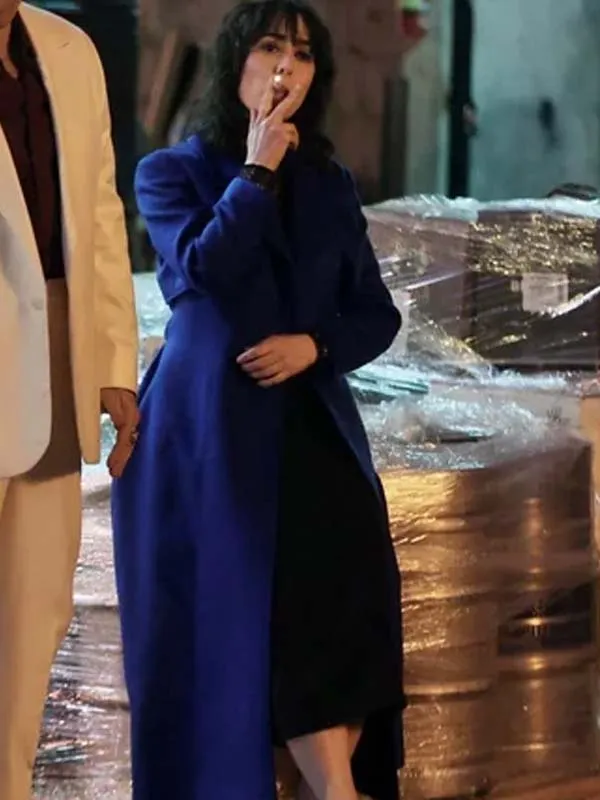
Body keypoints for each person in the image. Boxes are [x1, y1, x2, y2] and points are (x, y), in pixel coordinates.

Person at [112, 1, 405, 798]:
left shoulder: (331, 184)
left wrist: (315, 346)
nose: (285, 68)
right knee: (259, 616)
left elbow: (375, 313)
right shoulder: (170, 172)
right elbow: (200, 270)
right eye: (270, 47)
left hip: (312, 423)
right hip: (211, 431)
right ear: (234, 61)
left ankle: (333, 787)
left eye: (303, 55)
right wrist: (256, 170)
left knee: (351, 602)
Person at [0, 2, 139, 797]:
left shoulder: (69, 49)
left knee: (33, 620)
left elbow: (100, 212)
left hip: (55, 358)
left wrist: (114, 360)